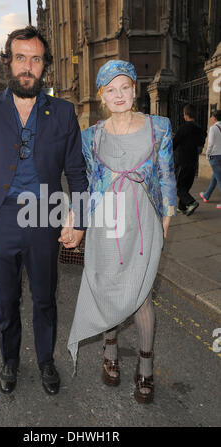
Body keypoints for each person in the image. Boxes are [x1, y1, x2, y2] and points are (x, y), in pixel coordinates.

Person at [0, 26, 88, 396]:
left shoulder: (63, 112)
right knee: (6, 300)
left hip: (44, 219)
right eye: (21, 58)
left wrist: (79, 220)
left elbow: (78, 175)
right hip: (0, 221)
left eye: (36, 59)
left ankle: (46, 360)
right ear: (9, 61)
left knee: (45, 297)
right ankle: (10, 359)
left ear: (44, 66)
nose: (27, 67)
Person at [67, 60, 177, 404]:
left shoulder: (159, 127)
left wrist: (165, 224)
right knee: (108, 289)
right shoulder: (91, 136)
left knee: (141, 294)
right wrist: (74, 216)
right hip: (106, 224)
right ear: (101, 96)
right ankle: (109, 347)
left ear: (135, 89)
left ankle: (145, 364)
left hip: (144, 224)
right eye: (110, 89)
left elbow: (167, 176)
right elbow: (84, 183)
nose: (118, 95)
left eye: (124, 87)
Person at [173, 104, 206, 216]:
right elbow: (201, 142)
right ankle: (182, 207)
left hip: (182, 161)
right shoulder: (199, 129)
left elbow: (174, 143)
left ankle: (191, 202)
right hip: (193, 161)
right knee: (185, 186)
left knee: (178, 187)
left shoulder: (183, 128)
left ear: (186, 115)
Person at [199, 110, 221, 209]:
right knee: (215, 177)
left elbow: (210, 143)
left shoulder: (213, 128)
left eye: (212, 116)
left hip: (215, 156)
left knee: (219, 179)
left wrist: (207, 154)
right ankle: (206, 195)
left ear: (215, 118)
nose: (211, 118)